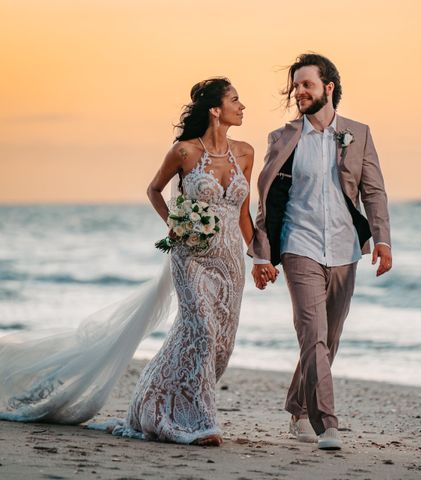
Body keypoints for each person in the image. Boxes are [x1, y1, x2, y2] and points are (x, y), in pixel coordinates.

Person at [0, 77, 255, 447]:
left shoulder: (245, 152)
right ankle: (200, 423)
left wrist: (259, 255)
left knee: (220, 342)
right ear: (216, 109)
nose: (242, 106)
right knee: (201, 329)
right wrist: (176, 224)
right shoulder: (184, 152)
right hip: (191, 257)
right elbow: (153, 189)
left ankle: (153, 402)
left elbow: (244, 211)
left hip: (230, 260)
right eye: (235, 99)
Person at [249, 53, 392, 450]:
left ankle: (297, 407)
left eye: (306, 84)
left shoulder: (357, 133)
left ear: (328, 87)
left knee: (328, 339)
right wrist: (262, 254)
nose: (299, 92)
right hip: (299, 245)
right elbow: (268, 199)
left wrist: (382, 239)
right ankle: (327, 422)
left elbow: (373, 190)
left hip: (346, 249)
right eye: (296, 86)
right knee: (311, 334)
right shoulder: (283, 138)